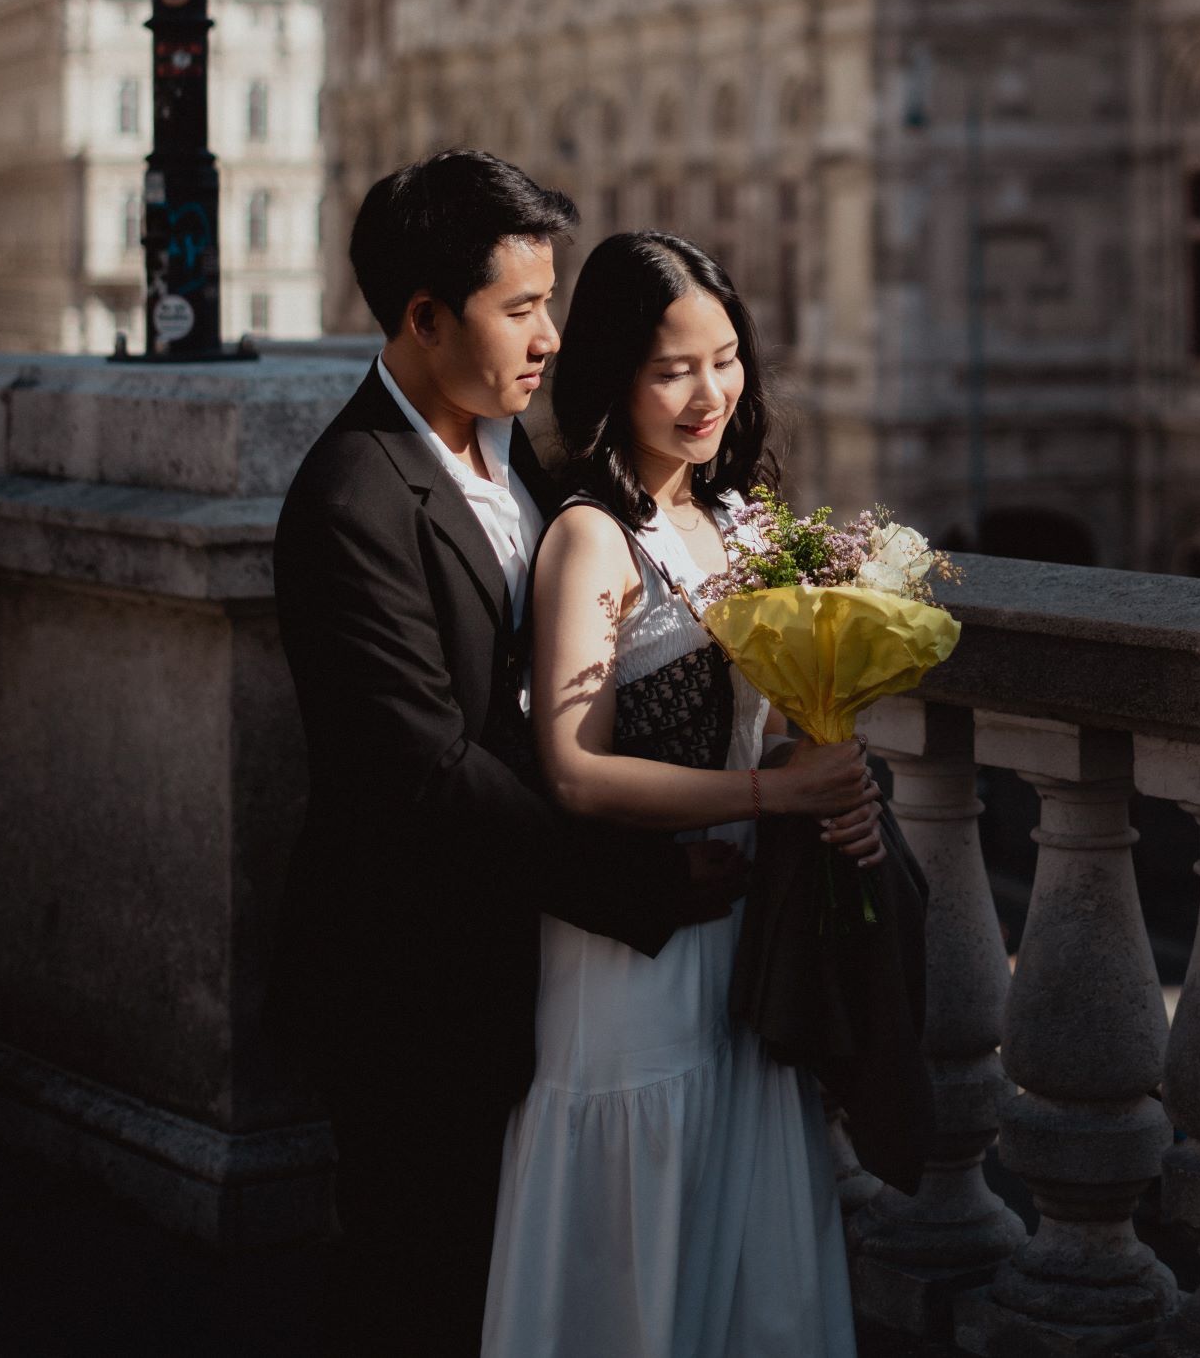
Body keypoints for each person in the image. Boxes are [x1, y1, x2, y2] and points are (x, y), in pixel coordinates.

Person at [268, 154, 749, 1358]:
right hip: (411, 978)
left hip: (519, 961)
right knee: (412, 1284)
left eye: (550, 301)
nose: (548, 336)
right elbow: (428, 769)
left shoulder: (513, 454)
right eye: (519, 308)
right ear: (425, 318)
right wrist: (638, 887)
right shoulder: (349, 498)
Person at [482, 229, 880, 1358]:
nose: (709, 391)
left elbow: (791, 722)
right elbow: (573, 766)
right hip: (630, 960)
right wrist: (772, 795)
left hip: (737, 944)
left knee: (737, 1244)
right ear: (613, 373)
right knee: (639, 1242)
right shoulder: (589, 538)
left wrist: (832, 780)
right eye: (672, 369)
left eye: (725, 358)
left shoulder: (731, 521)